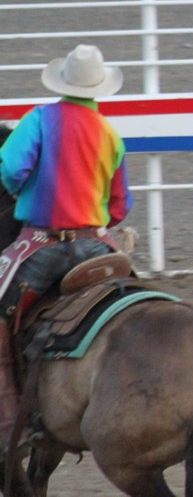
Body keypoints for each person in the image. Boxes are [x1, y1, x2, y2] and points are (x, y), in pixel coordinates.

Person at [0, 44, 132, 437]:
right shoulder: (110, 134)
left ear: (62, 83)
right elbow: (120, 205)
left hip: (42, 247)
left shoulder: (39, 120)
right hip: (97, 248)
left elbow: (10, 169)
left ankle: (7, 423)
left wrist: (23, 191)